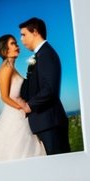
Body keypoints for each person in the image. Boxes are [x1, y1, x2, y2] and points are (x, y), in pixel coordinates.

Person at [0, 33, 46, 164]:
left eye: (16, 43)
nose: (17, 46)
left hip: (21, 113)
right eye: (12, 43)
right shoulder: (6, 68)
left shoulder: (11, 67)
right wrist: (22, 108)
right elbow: (4, 97)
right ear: (5, 50)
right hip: (15, 115)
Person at [18, 16, 70, 155]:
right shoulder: (38, 56)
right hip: (44, 124)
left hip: (50, 123)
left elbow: (50, 89)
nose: (21, 39)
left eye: (23, 35)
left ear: (35, 32)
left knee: (61, 167)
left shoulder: (46, 54)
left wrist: (29, 106)